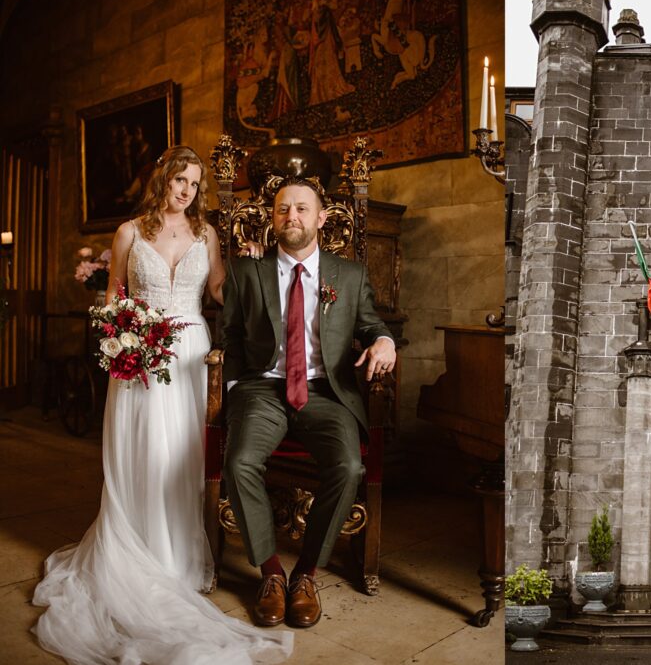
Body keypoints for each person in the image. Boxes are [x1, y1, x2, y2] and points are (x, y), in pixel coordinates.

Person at [32, 146, 293, 664]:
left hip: (193, 355)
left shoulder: (207, 234)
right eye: (180, 180)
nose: (187, 191)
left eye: (195, 184)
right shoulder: (130, 232)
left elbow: (216, 290)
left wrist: (253, 275)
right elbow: (112, 297)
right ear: (163, 179)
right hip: (141, 355)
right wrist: (124, 336)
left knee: (183, 457)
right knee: (143, 453)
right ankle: (141, 555)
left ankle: (178, 559)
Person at [222, 177, 396, 628]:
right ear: (272, 218)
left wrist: (383, 342)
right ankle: (272, 574)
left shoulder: (350, 275)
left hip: (326, 392)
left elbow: (372, 324)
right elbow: (231, 338)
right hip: (264, 388)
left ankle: (305, 575)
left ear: (321, 218)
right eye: (283, 209)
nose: (291, 217)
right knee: (239, 462)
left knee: (349, 467)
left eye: (301, 209)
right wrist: (234, 390)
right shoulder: (248, 272)